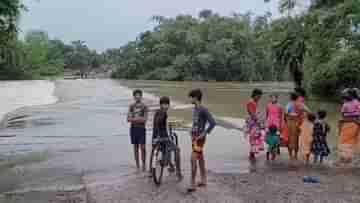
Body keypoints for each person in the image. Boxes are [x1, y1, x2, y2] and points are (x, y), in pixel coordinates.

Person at [187, 89, 216, 193]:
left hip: (200, 139)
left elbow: (213, 122)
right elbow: (196, 123)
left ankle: (192, 183)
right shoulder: (195, 109)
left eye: (191, 97)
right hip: (194, 137)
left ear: (195, 97)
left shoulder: (203, 109)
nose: (190, 99)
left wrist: (204, 133)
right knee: (200, 158)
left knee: (193, 159)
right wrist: (191, 129)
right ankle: (203, 180)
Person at [149, 96, 183, 179]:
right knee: (177, 150)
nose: (166, 106)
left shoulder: (157, 112)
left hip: (156, 137)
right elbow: (159, 122)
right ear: (161, 105)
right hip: (164, 138)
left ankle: (152, 171)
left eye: (167, 104)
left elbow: (157, 125)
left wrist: (155, 138)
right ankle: (178, 173)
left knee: (156, 151)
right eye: (164, 104)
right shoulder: (163, 113)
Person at [127, 89, 148, 172]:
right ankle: (137, 165)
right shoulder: (131, 106)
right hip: (133, 129)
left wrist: (134, 119)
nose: (137, 96)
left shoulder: (144, 106)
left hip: (141, 129)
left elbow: (145, 120)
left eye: (139, 95)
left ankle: (143, 164)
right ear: (134, 97)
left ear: (141, 96)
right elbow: (128, 119)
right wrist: (138, 119)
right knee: (135, 147)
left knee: (143, 147)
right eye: (136, 95)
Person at [337, 89, 360, 164]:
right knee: (350, 142)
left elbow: (343, 115)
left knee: (344, 141)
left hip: (348, 124)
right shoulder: (356, 103)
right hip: (354, 124)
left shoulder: (347, 104)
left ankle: (344, 158)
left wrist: (348, 117)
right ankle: (348, 158)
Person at [245, 88, 264, 161]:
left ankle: (252, 153)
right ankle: (251, 154)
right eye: (259, 96)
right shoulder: (251, 102)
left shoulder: (254, 102)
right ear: (255, 95)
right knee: (254, 137)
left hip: (254, 122)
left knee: (255, 137)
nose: (259, 98)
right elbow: (252, 114)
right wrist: (259, 122)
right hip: (253, 123)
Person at [285, 92, 302, 161]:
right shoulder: (299, 104)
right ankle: (295, 155)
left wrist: (290, 116)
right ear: (297, 98)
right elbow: (305, 112)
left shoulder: (289, 104)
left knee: (290, 139)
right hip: (297, 123)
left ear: (290, 97)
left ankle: (290, 156)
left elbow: (286, 113)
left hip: (290, 123)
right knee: (296, 139)